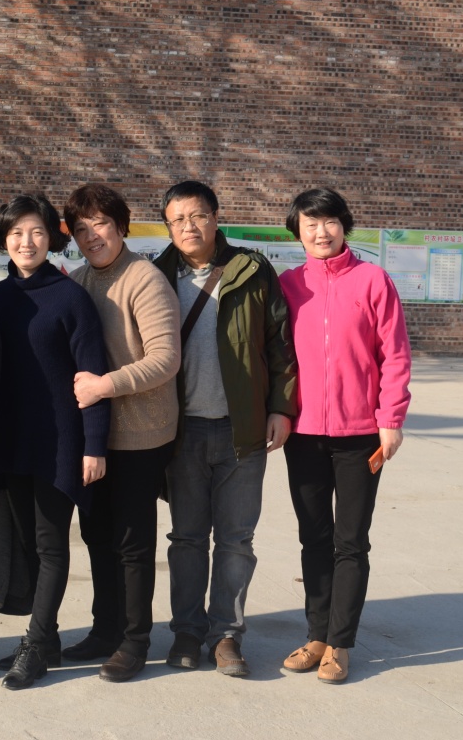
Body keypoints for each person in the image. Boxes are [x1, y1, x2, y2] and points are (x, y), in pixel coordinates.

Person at [152, 180, 297, 678]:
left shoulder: (252, 270)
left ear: (216, 217)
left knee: (236, 540)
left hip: (242, 430)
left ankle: (227, 636)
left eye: (197, 215)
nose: (188, 226)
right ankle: (187, 632)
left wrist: (280, 408)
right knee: (187, 539)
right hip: (181, 432)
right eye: (177, 219)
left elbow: (280, 345)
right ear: (167, 227)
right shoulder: (156, 275)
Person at [278, 188, 411, 684]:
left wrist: (390, 418)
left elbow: (394, 354)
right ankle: (316, 635)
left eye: (329, 221)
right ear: (297, 232)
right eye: (310, 224)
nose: (321, 232)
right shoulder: (289, 285)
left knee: (350, 541)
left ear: (344, 225)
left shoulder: (374, 280)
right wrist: (277, 413)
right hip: (304, 434)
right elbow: (276, 358)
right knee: (313, 537)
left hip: (361, 435)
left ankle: (340, 643)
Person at [0, 193, 109, 690]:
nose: (26, 241)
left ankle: (35, 646)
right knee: (29, 543)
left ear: (52, 238)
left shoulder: (71, 298)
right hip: (11, 441)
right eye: (16, 233)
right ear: (4, 240)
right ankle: (47, 638)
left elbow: (92, 376)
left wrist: (94, 446)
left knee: (52, 544)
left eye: (36, 232)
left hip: (60, 442)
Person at [62, 183, 182, 682]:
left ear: (121, 226)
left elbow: (166, 358)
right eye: (81, 228)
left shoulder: (144, 279)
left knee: (132, 542)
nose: (93, 235)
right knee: (96, 536)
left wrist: (103, 385)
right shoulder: (78, 280)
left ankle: (135, 640)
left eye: (101, 224)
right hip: (93, 438)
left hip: (140, 435)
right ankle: (105, 628)